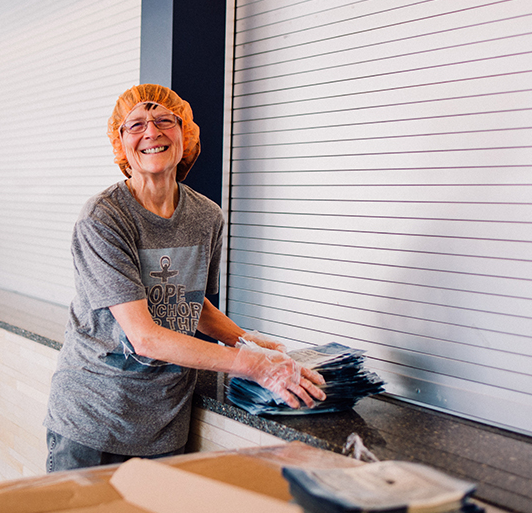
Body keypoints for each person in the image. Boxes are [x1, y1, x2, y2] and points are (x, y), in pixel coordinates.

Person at [43, 84, 326, 472]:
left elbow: (189, 301)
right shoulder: (104, 218)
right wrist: (253, 364)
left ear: (184, 133)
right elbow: (144, 337)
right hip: (94, 422)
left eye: (164, 120)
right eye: (136, 124)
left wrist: (244, 339)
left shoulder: (207, 216)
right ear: (120, 142)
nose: (152, 132)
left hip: (165, 424)